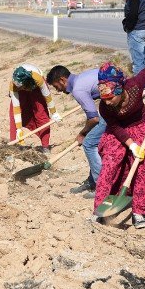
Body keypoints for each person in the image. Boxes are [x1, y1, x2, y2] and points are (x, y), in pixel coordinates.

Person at [94, 63, 145, 229]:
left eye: (110, 98)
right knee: (110, 164)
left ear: (120, 91)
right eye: (104, 99)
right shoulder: (104, 107)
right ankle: (102, 208)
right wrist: (131, 145)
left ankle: (140, 211)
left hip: (141, 126)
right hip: (118, 132)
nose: (107, 103)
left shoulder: (135, 86)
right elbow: (115, 127)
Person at [46, 65, 104, 199]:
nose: (58, 91)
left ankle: (101, 186)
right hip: (111, 104)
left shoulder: (78, 89)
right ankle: (91, 181)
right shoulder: (81, 78)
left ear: (62, 80)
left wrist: (82, 133)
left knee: (89, 143)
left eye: (56, 87)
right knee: (94, 139)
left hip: (120, 105)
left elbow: (94, 118)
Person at [9, 63, 61, 154]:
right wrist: (19, 129)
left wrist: (54, 113)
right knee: (13, 116)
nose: (21, 88)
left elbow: (47, 97)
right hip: (22, 88)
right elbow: (16, 108)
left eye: (22, 87)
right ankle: (13, 148)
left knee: (41, 113)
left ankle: (45, 146)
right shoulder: (14, 86)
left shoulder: (37, 79)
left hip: (34, 86)